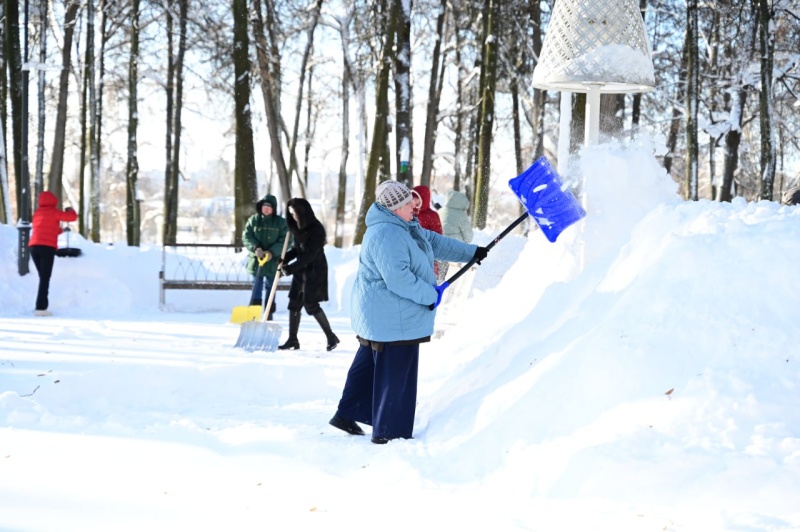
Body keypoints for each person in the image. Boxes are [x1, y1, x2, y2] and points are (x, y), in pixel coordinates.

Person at [328, 180, 488, 444]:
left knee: (369, 362)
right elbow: (398, 278)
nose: (414, 204)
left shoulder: (405, 226)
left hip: (380, 313)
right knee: (397, 370)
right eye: (406, 202)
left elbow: (437, 243)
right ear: (392, 208)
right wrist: (429, 297)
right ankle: (389, 431)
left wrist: (472, 252)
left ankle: (348, 412)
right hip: (391, 315)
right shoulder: (387, 234)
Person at [276, 198, 340, 351]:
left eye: (296, 213)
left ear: (303, 212)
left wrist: (291, 268)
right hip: (301, 269)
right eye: (292, 214)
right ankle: (292, 339)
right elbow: (298, 250)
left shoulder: (317, 229)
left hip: (314, 270)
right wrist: (285, 258)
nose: (294, 217)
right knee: (294, 303)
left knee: (310, 304)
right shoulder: (297, 228)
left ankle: (331, 336)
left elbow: (310, 254)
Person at [28, 191, 79, 317]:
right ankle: (41, 308)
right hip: (46, 248)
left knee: (43, 278)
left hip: (34, 247)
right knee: (45, 278)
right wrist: (70, 210)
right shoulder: (53, 212)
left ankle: (40, 306)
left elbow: (48, 229)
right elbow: (72, 217)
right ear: (53, 201)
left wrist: (61, 230)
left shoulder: (37, 214)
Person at [242, 194, 288, 321]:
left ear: (273, 208)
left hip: (272, 261)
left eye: (269, 207)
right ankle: (254, 314)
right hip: (256, 260)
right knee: (256, 286)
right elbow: (247, 237)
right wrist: (256, 247)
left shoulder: (281, 223)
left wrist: (272, 252)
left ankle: (269, 314)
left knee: (270, 287)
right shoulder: (254, 220)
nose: (266, 209)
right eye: (264, 206)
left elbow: (285, 241)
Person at [412, 185, 446, 281]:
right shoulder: (409, 214)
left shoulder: (432, 216)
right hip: (412, 257)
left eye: (417, 199)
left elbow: (438, 237)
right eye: (412, 199)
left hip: (428, 257)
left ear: (424, 199)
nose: (414, 202)